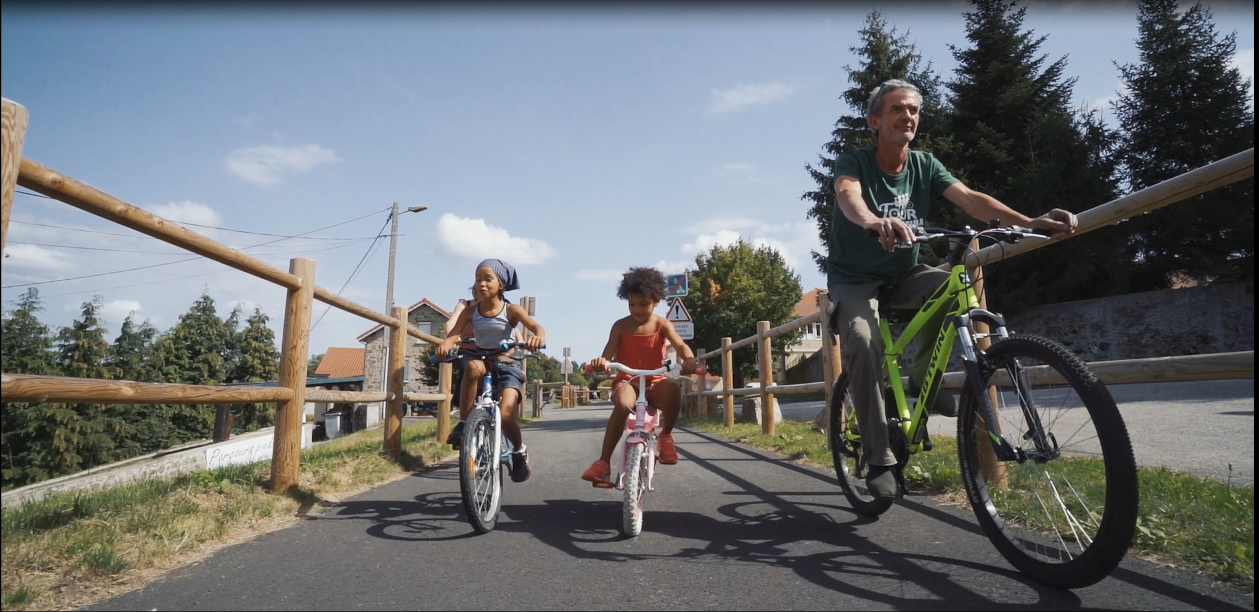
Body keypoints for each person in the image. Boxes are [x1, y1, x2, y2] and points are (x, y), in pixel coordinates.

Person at [828, 79, 1078, 499]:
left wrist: (1028, 222)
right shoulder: (854, 161)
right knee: (863, 340)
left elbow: (969, 198)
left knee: (953, 287)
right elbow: (847, 194)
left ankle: (922, 379)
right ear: (875, 121)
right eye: (896, 109)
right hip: (854, 279)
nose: (908, 116)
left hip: (904, 274)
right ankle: (879, 457)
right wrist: (872, 220)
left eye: (913, 110)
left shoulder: (924, 164)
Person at [582, 267, 696, 486]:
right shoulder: (620, 326)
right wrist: (600, 362)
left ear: (656, 301)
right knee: (623, 404)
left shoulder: (662, 325)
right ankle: (603, 463)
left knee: (673, 389)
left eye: (643, 304)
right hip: (629, 381)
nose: (637, 309)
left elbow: (680, 345)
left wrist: (689, 359)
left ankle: (666, 436)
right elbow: (607, 355)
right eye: (631, 304)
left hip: (655, 381)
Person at [438, 259, 546, 483]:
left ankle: (519, 450)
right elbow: (453, 334)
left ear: (501, 284)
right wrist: (445, 346)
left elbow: (536, 327)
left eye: (488, 279)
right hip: (483, 361)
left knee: (506, 416)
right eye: (478, 279)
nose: (481, 284)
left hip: (507, 366)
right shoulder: (470, 311)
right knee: (472, 367)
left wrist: (538, 337)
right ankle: (465, 423)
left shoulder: (511, 310)